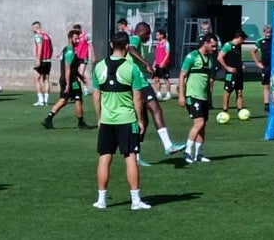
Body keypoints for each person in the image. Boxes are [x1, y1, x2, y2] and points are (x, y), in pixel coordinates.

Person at [91, 31, 150, 211]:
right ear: (126, 47)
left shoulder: (99, 66)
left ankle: (101, 200)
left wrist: (99, 117)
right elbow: (137, 98)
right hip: (127, 120)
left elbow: (96, 96)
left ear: (111, 45)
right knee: (130, 157)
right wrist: (140, 120)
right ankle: (135, 200)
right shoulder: (131, 68)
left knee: (104, 158)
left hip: (107, 120)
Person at [128, 22, 184, 162]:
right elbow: (131, 49)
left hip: (135, 83)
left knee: (144, 121)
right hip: (140, 83)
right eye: (148, 34)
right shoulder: (135, 39)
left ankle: (137, 156)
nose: (149, 37)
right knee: (156, 109)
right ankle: (168, 145)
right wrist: (146, 63)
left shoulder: (135, 40)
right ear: (143, 32)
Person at [178, 32, 218, 163]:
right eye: (212, 46)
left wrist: (209, 96)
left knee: (203, 125)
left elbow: (208, 79)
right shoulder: (192, 56)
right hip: (192, 95)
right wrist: (181, 95)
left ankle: (199, 154)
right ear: (205, 44)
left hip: (204, 96)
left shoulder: (211, 59)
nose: (214, 48)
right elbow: (182, 75)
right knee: (199, 122)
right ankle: (187, 151)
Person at [41, 29, 89, 129]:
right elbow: (68, 68)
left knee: (63, 100)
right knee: (78, 99)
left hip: (66, 78)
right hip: (71, 80)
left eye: (78, 39)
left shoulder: (66, 49)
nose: (78, 41)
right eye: (76, 39)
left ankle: (48, 119)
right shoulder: (70, 51)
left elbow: (72, 68)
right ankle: (81, 123)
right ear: (70, 38)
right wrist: (68, 83)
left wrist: (81, 76)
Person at [217, 30, 246, 114]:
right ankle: (225, 111)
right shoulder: (228, 45)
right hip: (230, 73)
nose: (242, 42)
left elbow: (237, 58)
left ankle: (240, 111)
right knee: (228, 92)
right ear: (240, 38)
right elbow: (220, 57)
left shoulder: (238, 46)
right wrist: (227, 67)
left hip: (239, 73)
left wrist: (242, 65)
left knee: (239, 92)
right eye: (242, 40)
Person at [251, 24, 274, 113]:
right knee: (266, 85)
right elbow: (253, 51)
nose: (268, 34)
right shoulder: (260, 41)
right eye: (267, 32)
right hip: (265, 66)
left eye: (270, 32)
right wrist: (257, 62)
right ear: (264, 32)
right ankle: (266, 104)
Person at [32, 21, 54, 106]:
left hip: (41, 60)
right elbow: (51, 49)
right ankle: (46, 100)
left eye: (33, 28)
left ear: (35, 28)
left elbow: (40, 46)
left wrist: (38, 59)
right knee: (46, 80)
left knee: (36, 79)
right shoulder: (47, 36)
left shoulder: (38, 36)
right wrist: (49, 57)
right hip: (48, 61)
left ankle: (40, 100)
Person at [72, 22, 94, 94]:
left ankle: (84, 88)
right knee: (74, 74)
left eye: (77, 30)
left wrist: (93, 55)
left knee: (81, 73)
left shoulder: (86, 36)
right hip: (76, 57)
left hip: (83, 57)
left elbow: (91, 45)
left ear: (80, 29)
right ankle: (78, 88)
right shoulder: (74, 37)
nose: (76, 31)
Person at [152, 29, 172, 100]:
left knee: (166, 79)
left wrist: (163, 62)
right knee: (156, 79)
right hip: (157, 63)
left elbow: (167, 53)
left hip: (164, 64)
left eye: (158, 35)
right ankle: (158, 93)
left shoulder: (166, 43)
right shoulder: (157, 43)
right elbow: (157, 55)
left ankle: (168, 94)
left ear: (162, 35)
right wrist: (154, 63)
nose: (156, 36)